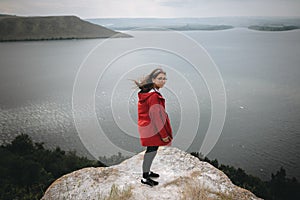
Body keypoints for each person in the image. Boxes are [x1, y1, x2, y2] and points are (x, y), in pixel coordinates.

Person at [134, 68, 173, 187]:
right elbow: (157, 117)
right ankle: (145, 177)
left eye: (164, 78)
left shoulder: (149, 92)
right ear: (153, 79)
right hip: (152, 128)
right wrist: (164, 135)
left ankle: (147, 171)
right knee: (151, 151)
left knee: (151, 150)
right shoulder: (153, 96)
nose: (163, 81)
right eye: (160, 78)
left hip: (148, 126)